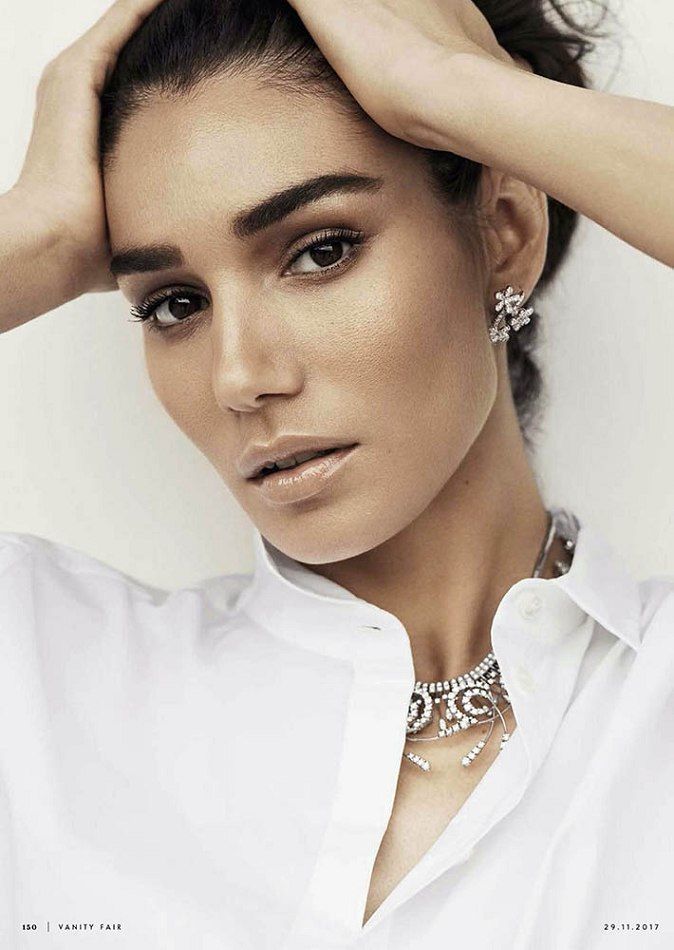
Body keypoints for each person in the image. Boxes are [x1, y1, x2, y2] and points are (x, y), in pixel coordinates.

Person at [1, 0, 672, 947]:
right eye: (174, 305)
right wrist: (32, 236)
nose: (240, 377)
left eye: (320, 251)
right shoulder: (40, 684)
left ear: (505, 232)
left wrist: (454, 90)